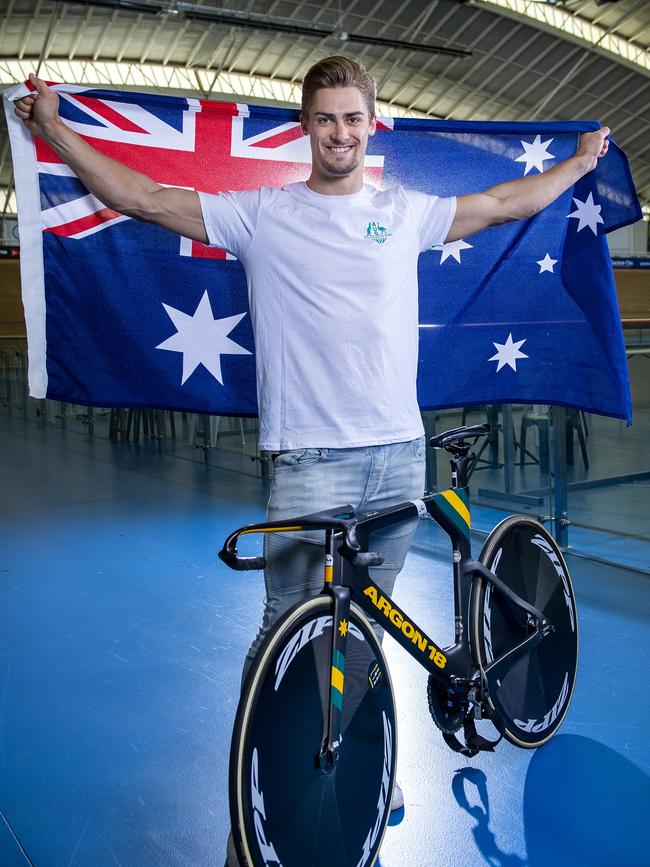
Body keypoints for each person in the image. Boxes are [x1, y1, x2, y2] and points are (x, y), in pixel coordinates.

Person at [14, 55, 609, 853]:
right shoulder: (260, 212)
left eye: (353, 118)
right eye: (325, 118)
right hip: (311, 461)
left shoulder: (404, 210)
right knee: (282, 639)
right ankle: (256, 810)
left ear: (372, 124)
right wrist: (54, 130)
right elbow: (143, 198)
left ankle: (363, 765)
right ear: (306, 127)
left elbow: (503, 201)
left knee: (360, 633)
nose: (340, 132)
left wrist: (576, 164)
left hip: (399, 454)